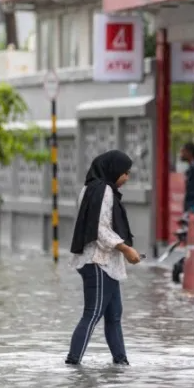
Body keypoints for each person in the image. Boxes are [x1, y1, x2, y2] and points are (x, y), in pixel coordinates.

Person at [66, 150, 141, 365]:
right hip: (98, 261)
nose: (126, 177)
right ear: (113, 170)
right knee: (93, 313)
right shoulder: (103, 191)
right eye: (124, 173)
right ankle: (73, 363)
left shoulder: (91, 189)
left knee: (114, 314)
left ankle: (121, 362)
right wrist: (125, 249)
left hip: (105, 262)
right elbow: (100, 228)